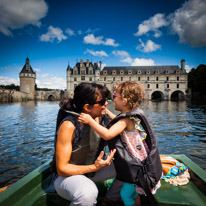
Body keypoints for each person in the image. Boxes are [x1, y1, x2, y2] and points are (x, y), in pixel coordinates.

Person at [78, 81, 161, 206]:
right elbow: (117, 120)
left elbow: (108, 134)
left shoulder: (126, 120)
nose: (112, 99)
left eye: (115, 96)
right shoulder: (132, 116)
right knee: (134, 194)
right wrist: (107, 112)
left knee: (125, 195)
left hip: (135, 168)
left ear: (125, 101)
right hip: (141, 166)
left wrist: (90, 121)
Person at [51, 82, 123, 206]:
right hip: (66, 177)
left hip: (91, 172)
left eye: (106, 100)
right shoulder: (69, 126)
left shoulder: (101, 117)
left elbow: (122, 125)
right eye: (102, 102)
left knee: (132, 164)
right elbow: (62, 169)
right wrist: (95, 167)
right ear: (87, 107)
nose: (106, 103)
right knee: (87, 194)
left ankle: (111, 198)